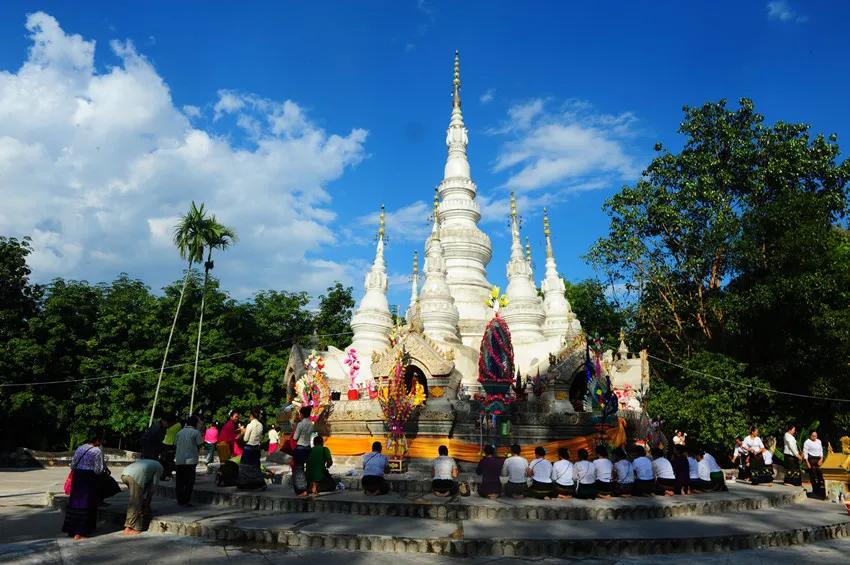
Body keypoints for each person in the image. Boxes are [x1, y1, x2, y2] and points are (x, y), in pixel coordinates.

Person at [62, 436, 105, 540]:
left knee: (75, 502)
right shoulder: (97, 451)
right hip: (88, 478)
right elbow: (98, 469)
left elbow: (72, 465)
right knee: (86, 503)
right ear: (97, 440)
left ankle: (71, 530)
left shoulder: (80, 448)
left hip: (77, 476)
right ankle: (80, 532)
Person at [120, 458, 163, 535]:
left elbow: (145, 486)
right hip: (135, 476)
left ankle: (132, 525)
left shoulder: (152, 463)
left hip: (124, 474)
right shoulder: (159, 468)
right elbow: (154, 486)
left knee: (137, 499)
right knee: (136, 503)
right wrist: (147, 501)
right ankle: (129, 527)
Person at [174, 415, 203, 505]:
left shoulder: (179, 433)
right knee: (189, 482)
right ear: (195, 423)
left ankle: (180, 500)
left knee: (180, 481)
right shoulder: (196, 433)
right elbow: (200, 444)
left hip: (179, 460)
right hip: (191, 461)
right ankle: (186, 500)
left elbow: (175, 444)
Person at [238, 407, 266, 490]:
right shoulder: (260, 425)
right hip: (257, 447)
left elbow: (245, 439)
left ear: (251, 415)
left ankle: (245, 484)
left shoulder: (250, 425)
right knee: (255, 467)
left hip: (249, 447)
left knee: (245, 467)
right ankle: (258, 483)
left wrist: (243, 431)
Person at [292, 406, 314, 496]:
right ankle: (309, 487)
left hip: (300, 447)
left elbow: (295, 437)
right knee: (308, 469)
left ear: (302, 414)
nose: (299, 415)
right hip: (308, 448)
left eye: (300, 414)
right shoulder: (311, 424)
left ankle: (301, 489)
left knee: (299, 469)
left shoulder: (300, 424)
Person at [803, 431, 825, 499]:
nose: (815, 437)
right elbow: (805, 452)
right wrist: (807, 463)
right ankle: (815, 491)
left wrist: (821, 459)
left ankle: (821, 491)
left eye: (816, 436)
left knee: (820, 475)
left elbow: (821, 451)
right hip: (811, 460)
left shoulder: (819, 441)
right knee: (813, 476)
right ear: (810, 436)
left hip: (818, 459)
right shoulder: (807, 442)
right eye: (813, 436)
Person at [159, 414, 181, 480]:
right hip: (168, 444)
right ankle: (168, 474)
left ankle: (167, 474)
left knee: (167, 460)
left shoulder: (177, 425)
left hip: (169, 444)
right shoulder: (177, 425)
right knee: (167, 460)